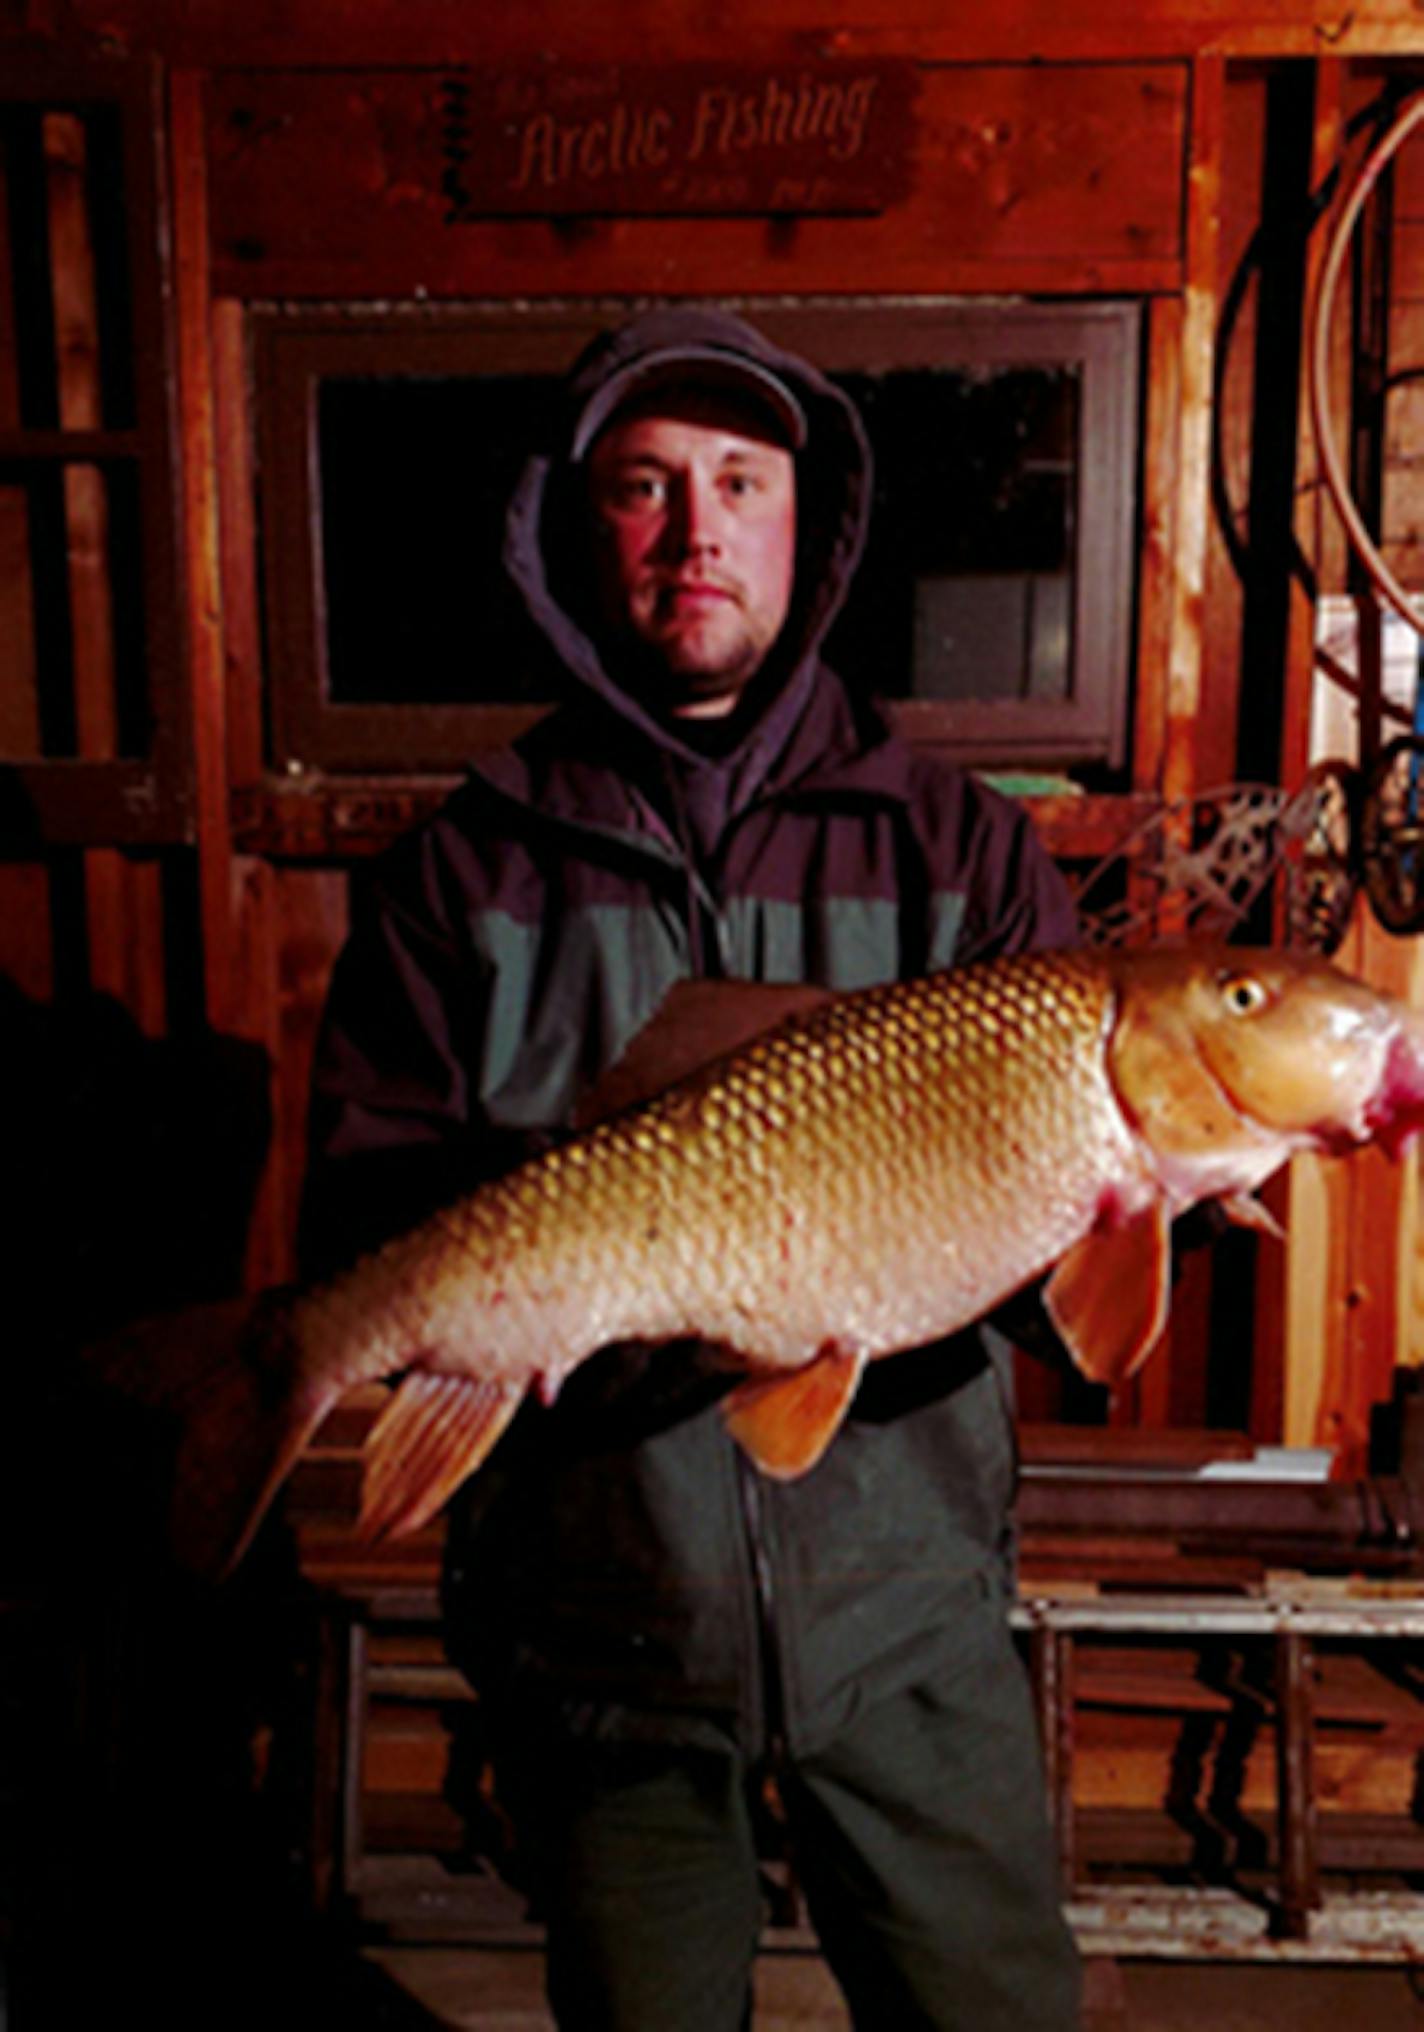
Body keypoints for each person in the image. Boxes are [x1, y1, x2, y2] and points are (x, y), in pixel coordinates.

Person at [301, 306, 1083, 2030]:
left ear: (812, 527)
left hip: (907, 1622)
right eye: (645, 488)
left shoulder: (964, 855)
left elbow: (1067, 1299)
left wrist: (1144, 1204)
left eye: (740, 483)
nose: (696, 529)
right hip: (598, 1632)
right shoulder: (463, 874)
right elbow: (364, 1202)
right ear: (577, 533)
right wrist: (612, 1247)